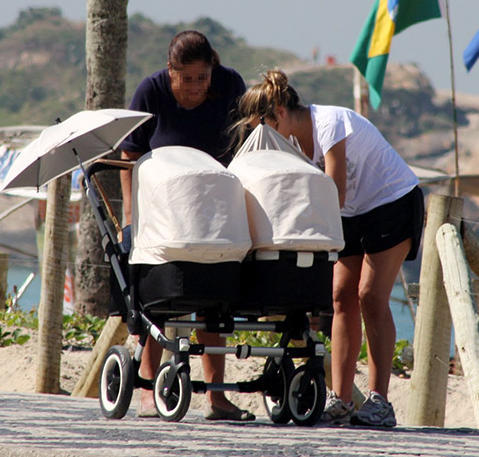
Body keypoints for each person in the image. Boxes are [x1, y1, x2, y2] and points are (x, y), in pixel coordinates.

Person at [232, 69, 424, 427]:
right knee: (339, 295)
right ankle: (341, 399)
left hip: (392, 202)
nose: (260, 135)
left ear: (280, 111)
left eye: (262, 125)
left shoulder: (329, 123)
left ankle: (381, 402)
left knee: (370, 294)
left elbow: (334, 194)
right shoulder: (287, 142)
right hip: (351, 213)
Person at [118, 30, 254, 421]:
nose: (196, 87)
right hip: (165, 211)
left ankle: (216, 396)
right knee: (162, 297)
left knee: (215, 297)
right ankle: (147, 388)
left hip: (216, 208)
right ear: (170, 71)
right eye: (187, 78)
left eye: (203, 77)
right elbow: (131, 154)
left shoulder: (230, 85)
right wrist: (131, 215)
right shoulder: (151, 92)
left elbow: (245, 143)